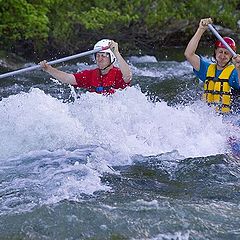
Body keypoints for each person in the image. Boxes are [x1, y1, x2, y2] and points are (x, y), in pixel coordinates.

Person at [184, 17, 240, 114]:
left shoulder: (234, 72)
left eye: (226, 53)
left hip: (230, 118)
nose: (222, 56)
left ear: (231, 56)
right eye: (220, 52)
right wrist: (201, 29)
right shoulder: (206, 69)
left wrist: (239, 68)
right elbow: (189, 54)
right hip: (209, 118)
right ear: (215, 52)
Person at [39, 39, 132, 94]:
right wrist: (48, 69)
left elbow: (128, 76)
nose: (99, 59)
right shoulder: (89, 75)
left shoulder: (118, 74)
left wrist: (116, 52)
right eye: (97, 56)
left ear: (112, 57)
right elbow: (67, 78)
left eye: (103, 56)